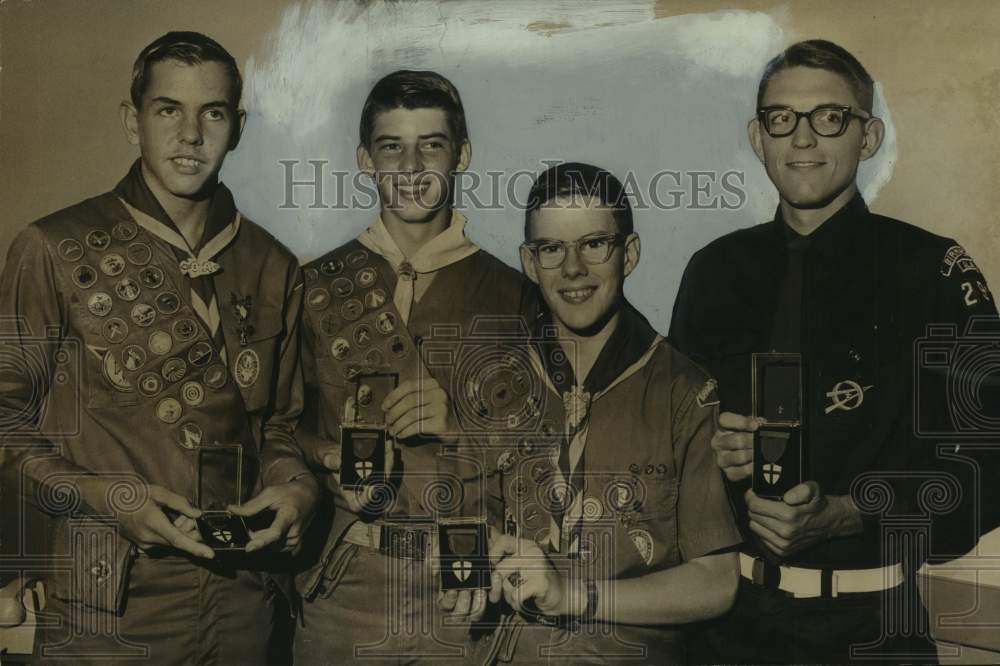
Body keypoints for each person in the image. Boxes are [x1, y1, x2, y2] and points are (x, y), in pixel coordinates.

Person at [669, 39, 999, 664]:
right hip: (723, 630)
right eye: (781, 119)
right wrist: (710, 450)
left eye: (830, 117)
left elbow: (993, 462)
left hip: (870, 628)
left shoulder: (931, 270)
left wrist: (852, 512)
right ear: (757, 135)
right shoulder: (713, 271)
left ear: (867, 135)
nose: (802, 139)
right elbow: (666, 447)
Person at [0, 31, 319, 664]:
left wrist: (298, 488)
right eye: (168, 110)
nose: (191, 134)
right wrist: (112, 499)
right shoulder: (53, 248)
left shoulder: (272, 265)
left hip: (246, 600)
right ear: (132, 120)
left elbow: (282, 426)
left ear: (239, 127)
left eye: (214, 113)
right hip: (108, 600)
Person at [293, 70, 538, 663]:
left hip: (466, 578)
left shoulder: (518, 294)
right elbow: (277, 428)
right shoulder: (310, 286)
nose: (411, 164)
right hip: (345, 575)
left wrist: (464, 426)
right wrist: (322, 456)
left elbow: (551, 447)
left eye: (431, 143)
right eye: (390, 146)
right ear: (364, 160)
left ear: (462, 155)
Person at [477, 162, 740, 665]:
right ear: (529, 263)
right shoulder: (495, 382)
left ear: (630, 253)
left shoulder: (684, 392)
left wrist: (577, 595)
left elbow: (717, 582)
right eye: (551, 248)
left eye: (594, 243)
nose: (572, 268)